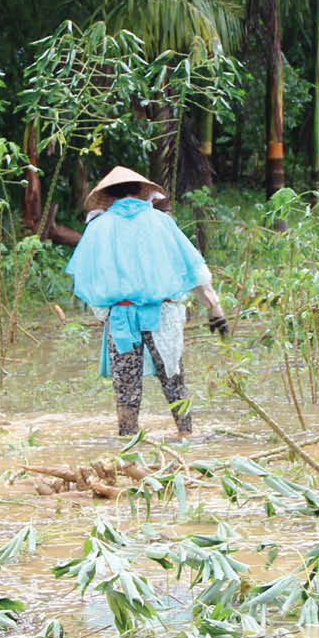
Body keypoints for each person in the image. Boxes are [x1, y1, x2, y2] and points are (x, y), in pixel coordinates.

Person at [66, 166, 229, 437]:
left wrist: (105, 315)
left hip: (121, 317)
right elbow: (193, 269)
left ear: (108, 195)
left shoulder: (98, 228)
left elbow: (89, 278)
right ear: (142, 191)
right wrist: (215, 308)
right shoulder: (162, 222)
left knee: (126, 388)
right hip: (163, 316)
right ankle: (186, 435)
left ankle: (128, 445)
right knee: (174, 380)